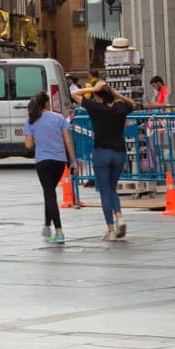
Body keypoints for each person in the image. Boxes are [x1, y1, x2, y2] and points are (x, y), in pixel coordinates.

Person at [72, 79, 135, 241]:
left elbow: (73, 94)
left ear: (98, 96)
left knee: (105, 192)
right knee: (112, 188)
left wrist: (93, 87)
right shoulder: (121, 108)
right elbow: (133, 103)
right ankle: (119, 216)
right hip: (119, 152)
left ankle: (111, 230)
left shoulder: (96, 107)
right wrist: (116, 94)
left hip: (101, 152)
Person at [23, 91, 77, 245]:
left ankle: (59, 231)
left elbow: (28, 145)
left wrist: (33, 137)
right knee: (50, 193)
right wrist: (72, 161)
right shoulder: (59, 118)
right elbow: (68, 140)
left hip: (43, 161)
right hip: (59, 161)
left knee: (49, 195)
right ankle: (47, 226)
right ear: (47, 103)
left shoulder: (31, 120)